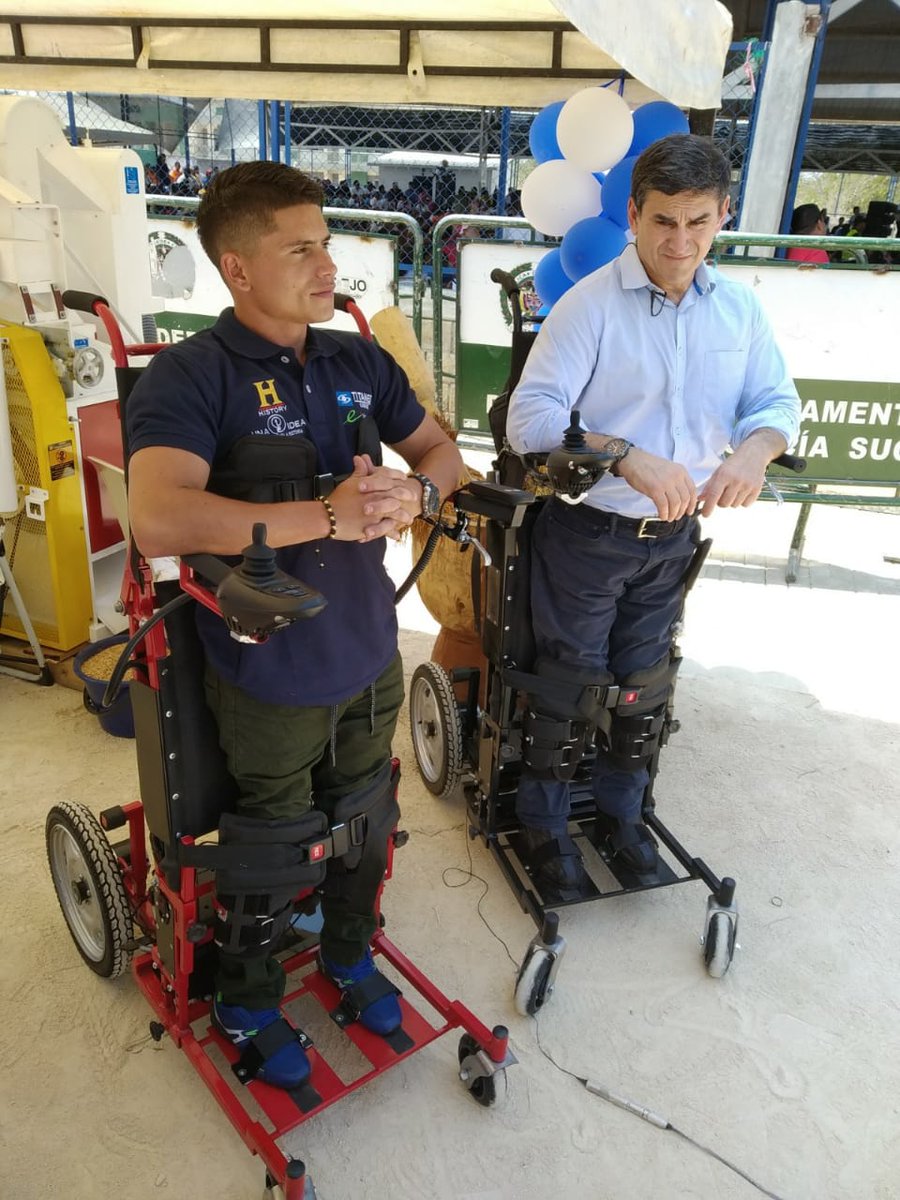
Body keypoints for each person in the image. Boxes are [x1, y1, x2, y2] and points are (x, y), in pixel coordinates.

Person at [126, 161, 463, 1089]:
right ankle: (246, 998)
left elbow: (442, 450)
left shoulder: (358, 360)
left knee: (365, 815)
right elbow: (156, 516)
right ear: (237, 268)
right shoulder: (194, 376)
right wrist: (331, 511)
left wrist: (420, 490)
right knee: (275, 839)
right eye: (301, 247)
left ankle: (351, 957)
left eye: (329, 243)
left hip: (366, 644)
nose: (328, 265)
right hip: (267, 661)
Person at [505, 134, 800, 892]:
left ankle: (621, 817)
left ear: (722, 215)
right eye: (663, 221)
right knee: (567, 689)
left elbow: (775, 406)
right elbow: (529, 417)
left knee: (643, 687)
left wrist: (754, 452)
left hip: (674, 540)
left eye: (698, 222)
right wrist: (621, 452)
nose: (680, 241)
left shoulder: (737, 310)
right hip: (587, 535)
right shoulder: (589, 306)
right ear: (633, 213)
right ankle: (542, 829)